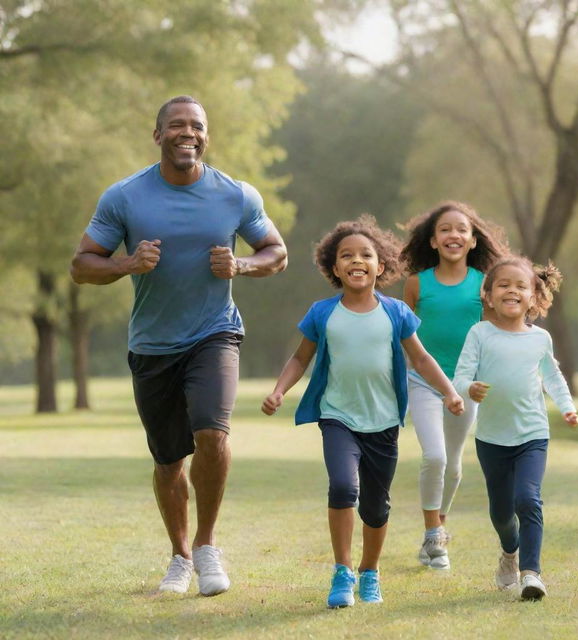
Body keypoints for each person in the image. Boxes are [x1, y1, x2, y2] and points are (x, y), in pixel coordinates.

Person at [70, 95, 287, 597]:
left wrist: (242, 266)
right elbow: (82, 265)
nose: (187, 133)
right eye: (176, 125)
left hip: (215, 332)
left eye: (197, 126)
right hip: (152, 344)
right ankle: (180, 556)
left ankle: (208, 547)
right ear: (158, 135)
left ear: (206, 136)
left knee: (212, 433)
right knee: (169, 461)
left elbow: (276, 253)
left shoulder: (235, 195)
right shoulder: (124, 197)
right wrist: (127, 263)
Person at [261, 215, 464, 608]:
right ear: (334, 268)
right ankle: (342, 572)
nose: (357, 260)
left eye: (366, 254)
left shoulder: (396, 313)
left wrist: (449, 393)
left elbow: (421, 360)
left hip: (384, 422)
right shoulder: (322, 313)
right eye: (347, 255)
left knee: (375, 504)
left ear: (380, 265)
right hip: (338, 417)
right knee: (342, 487)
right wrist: (279, 391)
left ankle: (370, 573)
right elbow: (301, 358)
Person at [452, 255, 578, 600]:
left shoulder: (540, 339)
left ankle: (531, 573)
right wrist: (469, 388)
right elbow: (461, 375)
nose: (512, 290)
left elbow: (552, 376)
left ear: (534, 296)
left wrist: (567, 408)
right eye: (503, 285)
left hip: (532, 435)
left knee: (528, 499)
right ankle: (509, 552)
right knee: (501, 512)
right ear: (489, 296)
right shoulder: (479, 333)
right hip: (492, 438)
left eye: (520, 285)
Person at [400, 201, 508, 570]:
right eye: (445, 229)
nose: (453, 235)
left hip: (466, 384)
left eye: (461, 229)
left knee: (454, 464)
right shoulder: (416, 285)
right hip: (424, 382)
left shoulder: (484, 285)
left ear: (473, 240)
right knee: (435, 456)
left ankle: (437, 529)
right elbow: (406, 338)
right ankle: (435, 537)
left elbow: (493, 337)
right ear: (432, 241)